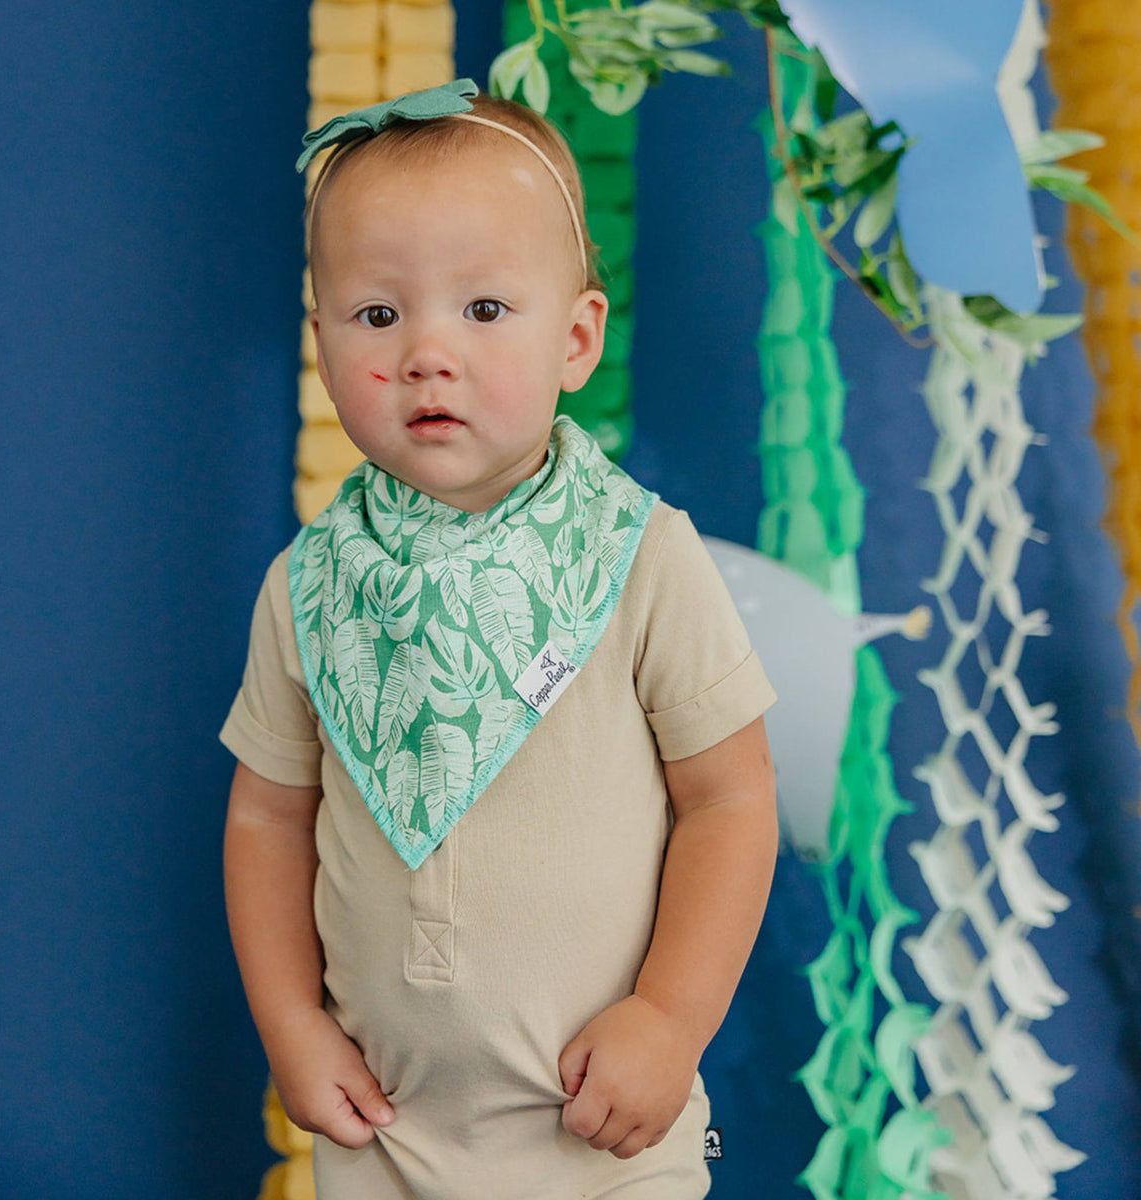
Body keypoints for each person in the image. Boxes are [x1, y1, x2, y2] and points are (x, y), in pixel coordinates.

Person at [220, 78, 779, 1200]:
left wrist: (670, 1017)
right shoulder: (311, 587)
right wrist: (291, 1023)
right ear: (321, 340)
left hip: (602, 1137)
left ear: (576, 337)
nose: (428, 351)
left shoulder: (638, 558)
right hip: (388, 1133)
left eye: (483, 310)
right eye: (379, 314)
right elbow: (267, 817)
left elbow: (731, 801)